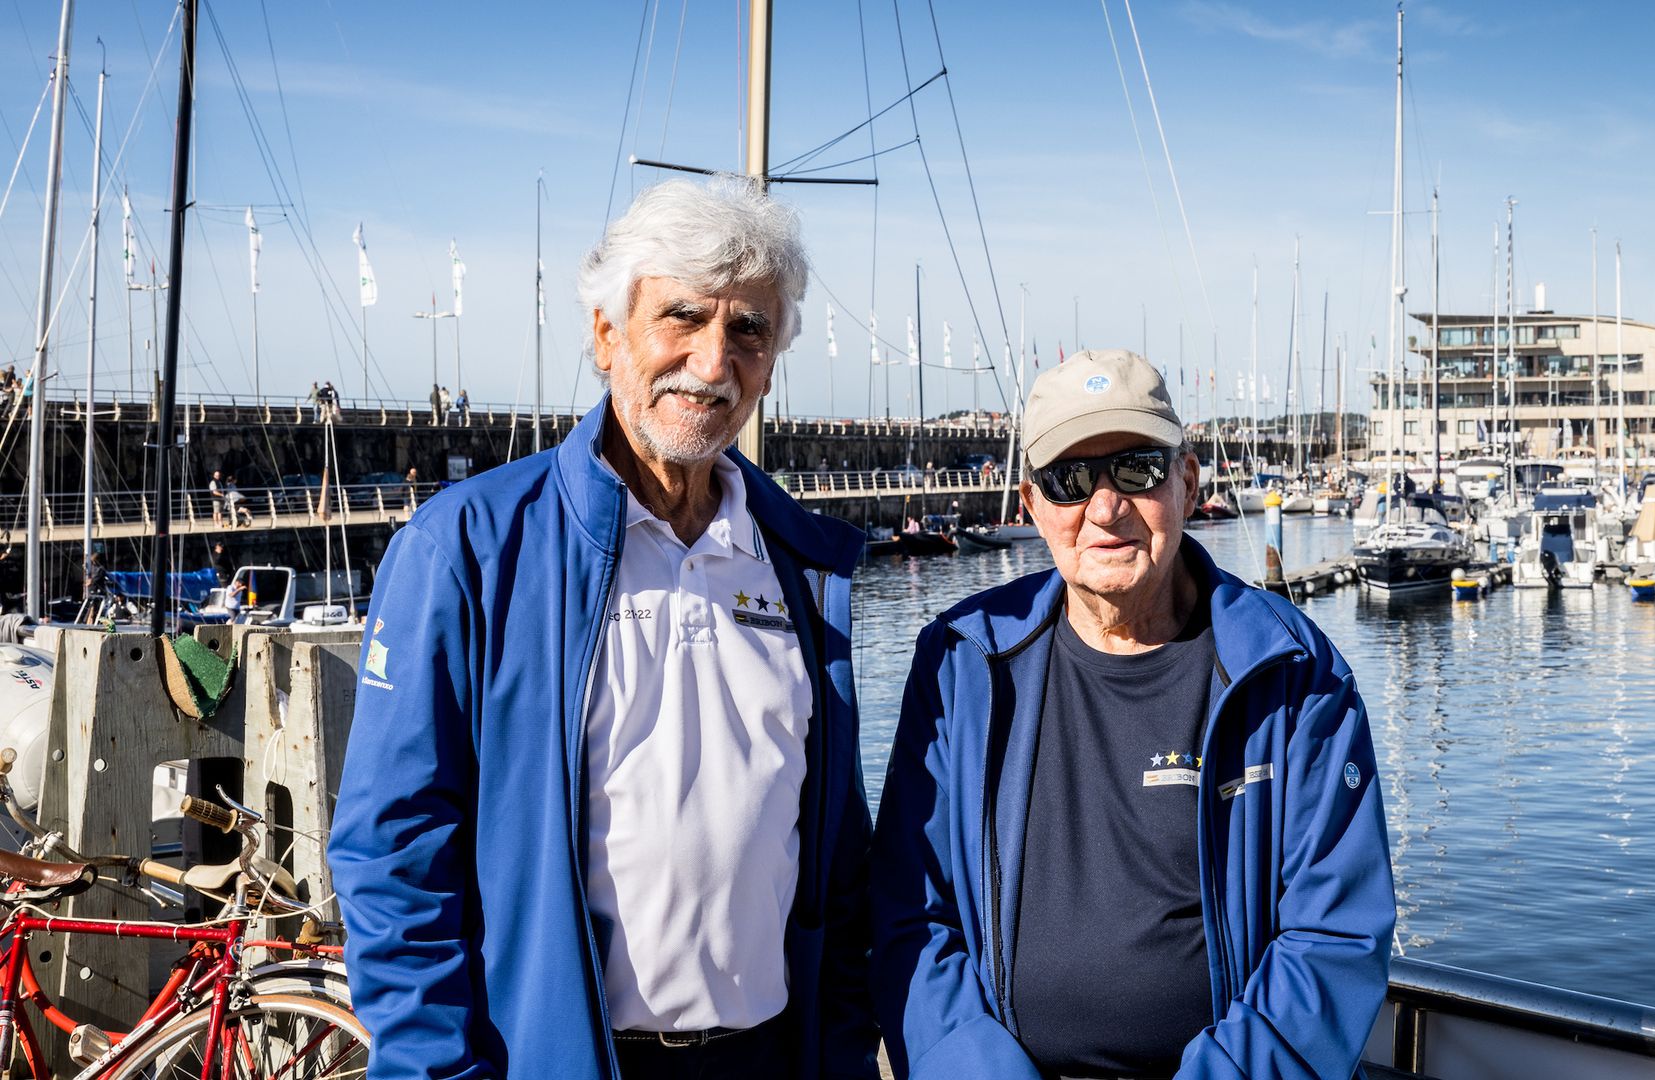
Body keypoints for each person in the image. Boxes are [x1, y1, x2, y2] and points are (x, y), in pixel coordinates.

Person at [330, 175, 878, 1080]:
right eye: (683, 317)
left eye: (748, 330)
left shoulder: (801, 563)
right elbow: (393, 853)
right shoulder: (469, 548)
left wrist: (845, 1045)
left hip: (777, 1057)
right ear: (605, 333)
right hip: (557, 1058)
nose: (712, 363)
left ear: (772, 363)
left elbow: (838, 853)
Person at [871, 350, 1394, 1079]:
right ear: (1032, 506)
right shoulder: (960, 665)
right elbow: (908, 919)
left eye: (1137, 469)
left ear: (1187, 481)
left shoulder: (1295, 673)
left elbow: (1334, 938)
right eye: (1070, 481)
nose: (1105, 506)